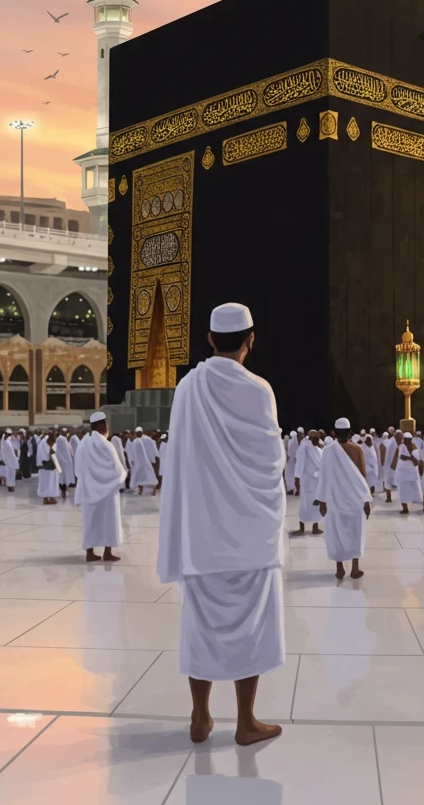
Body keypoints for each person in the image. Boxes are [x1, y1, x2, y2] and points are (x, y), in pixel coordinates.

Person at [157, 302, 286, 747]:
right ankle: (246, 722)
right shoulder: (260, 390)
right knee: (249, 627)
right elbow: (272, 460)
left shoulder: (189, 387)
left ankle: (200, 717)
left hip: (203, 533)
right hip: (250, 532)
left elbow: (181, 458)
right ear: (251, 339)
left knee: (201, 626)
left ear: (210, 339)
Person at [315, 418, 371, 579]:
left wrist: (322, 501)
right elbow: (362, 477)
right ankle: (355, 568)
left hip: (335, 499)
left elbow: (323, 478)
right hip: (354, 499)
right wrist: (366, 500)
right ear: (350, 433)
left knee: (336, 533)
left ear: (334, 433)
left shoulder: (328, 451)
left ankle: (339, 568)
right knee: (355, 531)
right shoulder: (357, 450)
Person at [75, 412, 127, 561]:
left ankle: (90, 553)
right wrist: (121, 475)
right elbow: (117, 470)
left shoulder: (83, 444)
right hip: (108, 492)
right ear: (103, 425)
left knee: (90, 521)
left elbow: (78, 468)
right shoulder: (106, 444)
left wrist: (90, 482)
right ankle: (107, 552)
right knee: (108, 520)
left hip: (89, 491)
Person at [293, 430, 323, 536]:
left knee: (315, 505)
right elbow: (299, 463)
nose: (316, 440)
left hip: (316, 482)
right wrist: (297, 478)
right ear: (310, 438)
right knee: (304, 504)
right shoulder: (304, 447)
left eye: (317, 439)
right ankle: (301, 528)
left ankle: (315, 527)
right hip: (306, 481)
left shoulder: (318, 449)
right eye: (314, 439)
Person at [392, 430, 424, 514]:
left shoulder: (414, 448)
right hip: (403, 473)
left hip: (412, 474)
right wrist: (411, 458)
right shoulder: (402, 446)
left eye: (407, 439)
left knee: (417, 491)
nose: (405, 441)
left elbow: (417, 462)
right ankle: (405, 508)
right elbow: (400, 457)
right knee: (402, 491)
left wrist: (410, 459)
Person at [37, 430, 61, 504]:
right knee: (51, 482)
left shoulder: (42, 442)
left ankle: (47, 498)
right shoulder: (48, 443)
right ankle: (49, 498)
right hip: (50, 467)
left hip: (43, 467)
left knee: (45, 483)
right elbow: (52, 455)